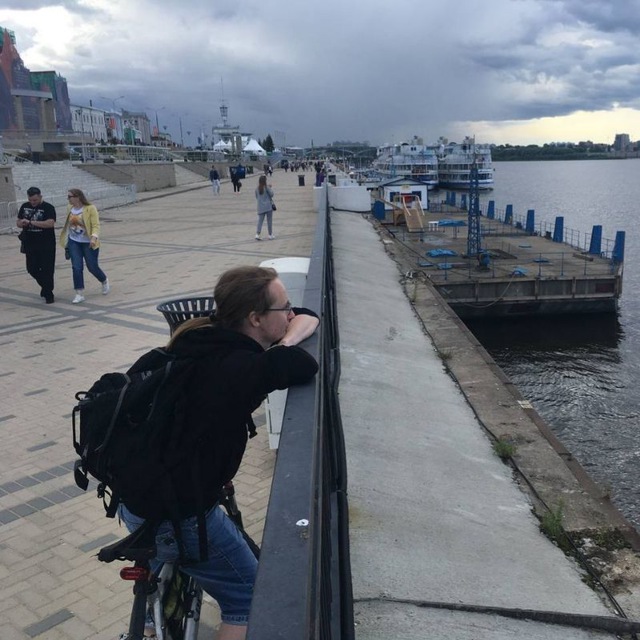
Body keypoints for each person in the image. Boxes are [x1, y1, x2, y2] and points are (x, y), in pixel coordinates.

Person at [120, 265, 319, 640]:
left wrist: (284, 328)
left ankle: (148, 625)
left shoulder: (197, 338)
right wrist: (286, 342)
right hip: (180, 516)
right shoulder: (243, 367)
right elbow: (305, 362)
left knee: (163, 566)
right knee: (249, 598)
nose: (291, 313)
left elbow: (307, 315)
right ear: (255, 318)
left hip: (134, 502)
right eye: (284, 308)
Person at [59, 188, 110, 304]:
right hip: (74, 241)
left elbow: (96, 225)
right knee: (76, 267)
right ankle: (79, 293)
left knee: (92, 267)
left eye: (70, 197)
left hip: (88, 242)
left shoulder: (90, 208)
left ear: (77, 197)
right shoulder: (69, 208)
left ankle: (104, 280)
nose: (68, 199)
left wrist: (94, 237)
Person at [16, 186, 57, 303]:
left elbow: (50, 223)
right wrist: (22, 223)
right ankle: (46, 287)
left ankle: (48, 294)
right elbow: (18, 222)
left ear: (40, 197)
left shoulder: (48, 207)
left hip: (46, 244)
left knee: (47, 269)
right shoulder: (25, 206)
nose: (32, 202)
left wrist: (31, 222)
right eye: (30, 200)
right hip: (30, 243)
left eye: (35, 200)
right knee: (32, 268)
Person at [254, 175, 275, 241]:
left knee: (260, 221)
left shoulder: (257, 189)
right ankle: (270, 235)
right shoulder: (266, 187)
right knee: (269, 221)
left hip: (260, 207)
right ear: (265, 181)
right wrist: (270, 188)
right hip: (268, 207)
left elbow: (257, 197)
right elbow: (272, 194)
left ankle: (257, 234)